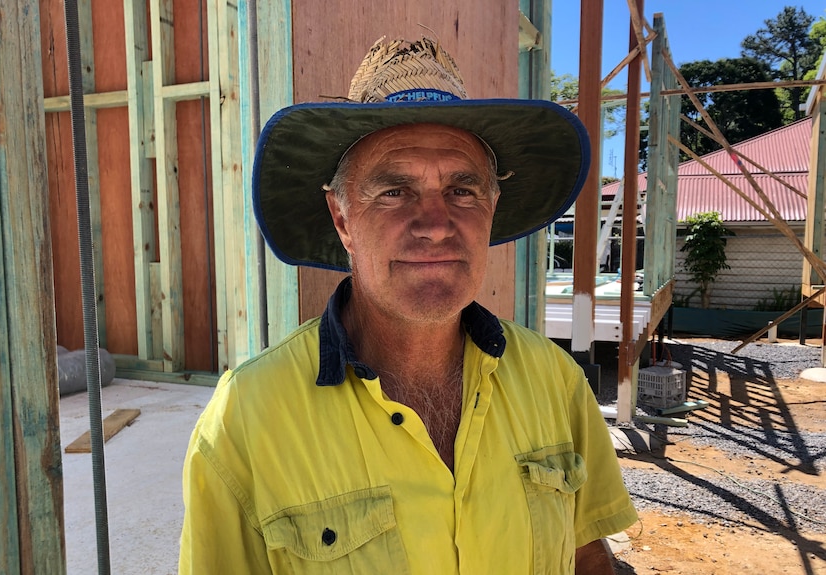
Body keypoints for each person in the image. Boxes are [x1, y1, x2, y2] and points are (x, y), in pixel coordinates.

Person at [179, 36, 638, 574]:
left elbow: (586, 555)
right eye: (394, 191)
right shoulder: (246, 419)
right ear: (343, 218)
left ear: (491, 208)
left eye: (463, 191)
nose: (436, 224)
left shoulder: (554, 382)